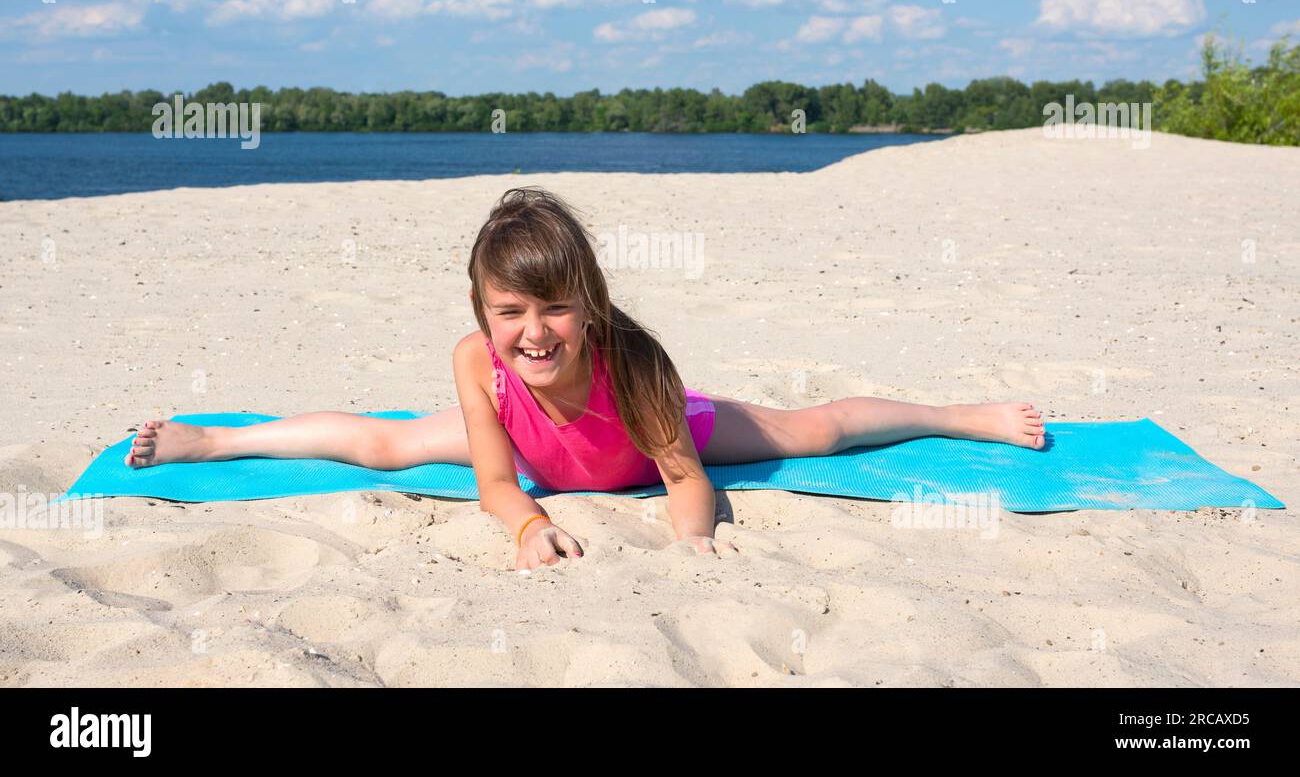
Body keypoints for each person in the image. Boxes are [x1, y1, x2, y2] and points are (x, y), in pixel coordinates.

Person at [125, 187, 1045, 572]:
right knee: (385, 443)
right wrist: (528, 524)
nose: (534, 333)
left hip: (642, 438)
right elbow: (492, 482)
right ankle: (217, 436)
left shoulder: (635, 361)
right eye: (511, 313)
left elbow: (688, 480)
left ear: (589, 304)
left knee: (815, 428)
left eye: (555, 309)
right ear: (486, 314)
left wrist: (693, 546)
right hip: (538, 454)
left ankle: (961, 414)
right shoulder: (478, 361)